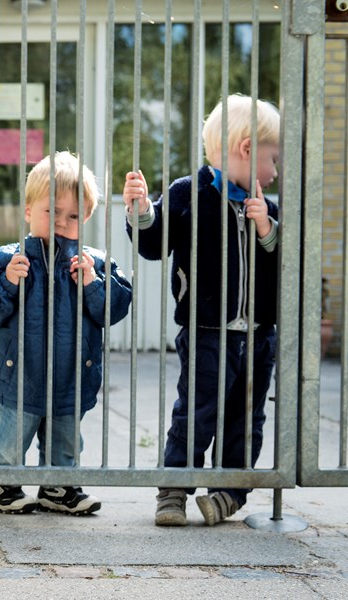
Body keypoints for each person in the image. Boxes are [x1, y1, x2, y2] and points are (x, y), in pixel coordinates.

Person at [124, 94, 281, 527]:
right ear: (247, 149)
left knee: (246, 417)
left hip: (258, 334)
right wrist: (140, 212)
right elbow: (155, 245)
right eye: (272, 159)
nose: (274, 170)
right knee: (196, 409)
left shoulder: (267, 206)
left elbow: (286, 266)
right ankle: (174, 490)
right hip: (207, 328)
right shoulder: (187, 193)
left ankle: (229, 493)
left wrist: (266, 229)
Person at [0, 152, 132, 516]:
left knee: (66, 435)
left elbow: (115, 309)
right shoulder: (6, 259)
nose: (61, 222)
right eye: (51, 212)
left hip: (72, 373)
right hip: (19, 371)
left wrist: (93, 284)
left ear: (86, 217)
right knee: (10, 432)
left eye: (73, 216)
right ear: (28, 210)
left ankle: (59, 484)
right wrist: (7, 282)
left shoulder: (95, 264)